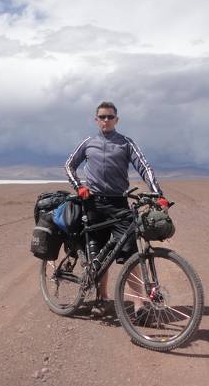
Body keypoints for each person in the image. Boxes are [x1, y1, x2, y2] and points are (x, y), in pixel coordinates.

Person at [64, 101, 170, 317]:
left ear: (116, 120)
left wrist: (158, 195)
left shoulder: (125, 143)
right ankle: (102, 299)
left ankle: (140, 305)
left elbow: (144, 166)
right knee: (100, 256)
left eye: (110, 117)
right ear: (96, 120)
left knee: (130, 254)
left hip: (119, 204)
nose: (106, 120)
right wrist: (79, 187)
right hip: (93, 204)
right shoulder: (89, 142)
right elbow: (69, 165)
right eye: (102, 117)